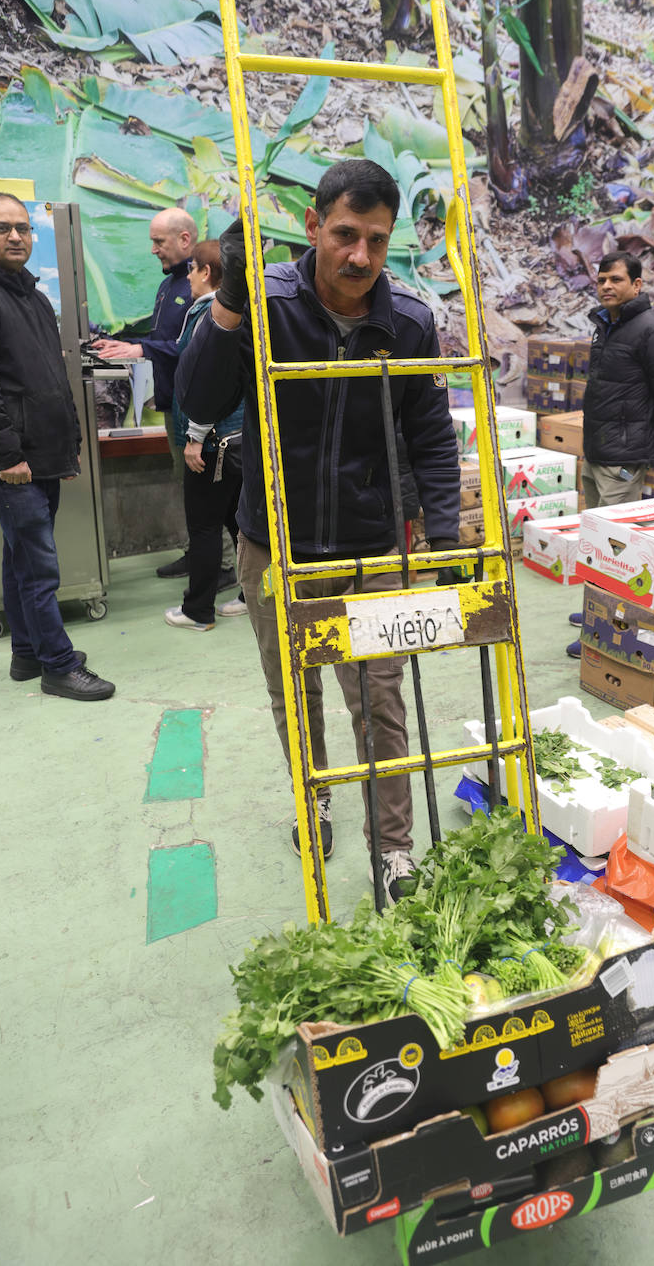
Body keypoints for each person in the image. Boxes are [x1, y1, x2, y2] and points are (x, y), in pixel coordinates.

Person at [176, 160, 461, 903]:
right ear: (312, 225)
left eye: (375, 240)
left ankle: (393, 847)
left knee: (380, 703)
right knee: (293, 694)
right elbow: (199, 398)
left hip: (374, 551)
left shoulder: (407, 323)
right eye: (344, 235)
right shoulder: (267, 305)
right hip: (275, 547)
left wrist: (447, 528)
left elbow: (430, 434)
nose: (359, 257)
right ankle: (318, 795)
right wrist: (230, 308)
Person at [0, 192, 115, 701]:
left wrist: (70, 443)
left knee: (21, 558)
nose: (16, 236)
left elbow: (52, 379)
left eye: (22, 227)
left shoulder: (33, 296)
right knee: (39, 565)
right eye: (1, 228)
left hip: (41, 452)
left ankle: (27, 653)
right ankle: (58, 666)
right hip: (10, 461)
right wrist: (6, 456)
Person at [94, 209, 237, 591]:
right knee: (188, 486)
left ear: (186, 241)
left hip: (200, 414)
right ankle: (203, 553)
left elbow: (192, 352)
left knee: (207, 492)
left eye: (160, 241)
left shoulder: (207, 301)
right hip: (178, 404)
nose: (154, 250)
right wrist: (129, 345)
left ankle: (222, 564)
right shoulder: (169, 286)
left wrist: (138, 346)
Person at [567, 250, 654, 658]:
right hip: (598, 450)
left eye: (616, 280)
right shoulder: (606, 326)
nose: (606, 286)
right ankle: (594, 609)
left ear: (637, 285)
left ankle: (606, 626)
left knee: (616, 547)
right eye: (601, 279)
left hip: (623, 458)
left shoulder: (653, 330)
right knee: (596, 539)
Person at [165, 241, 245, 631]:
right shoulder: (248, 313)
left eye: (193, 267)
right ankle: (252, 593)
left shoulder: (209, 316)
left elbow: (205, 379)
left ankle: (198, 610)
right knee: (239, 521)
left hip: (213, 439)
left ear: (208, 272)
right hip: (242, 439)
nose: (189, 276)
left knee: (204, 526)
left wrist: (194, 436)